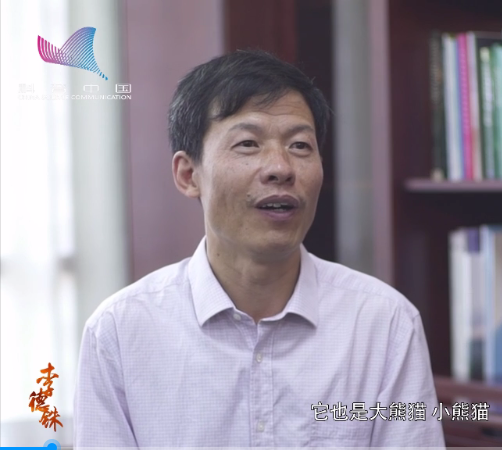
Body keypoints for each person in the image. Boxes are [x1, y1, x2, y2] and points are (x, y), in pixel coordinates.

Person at [74, 49, 445, 447]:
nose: (281, 168)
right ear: (188, 174)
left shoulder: (384, 323)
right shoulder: (119, 331)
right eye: (248, 144)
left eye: (300, 146)